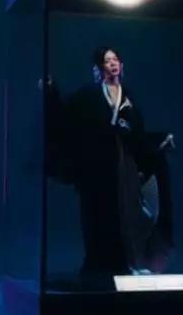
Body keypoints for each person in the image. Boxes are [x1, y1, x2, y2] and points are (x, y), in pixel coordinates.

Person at [44, 47, 174, 279]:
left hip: (124, 168)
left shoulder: (128, 98)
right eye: (107, 60)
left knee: (128, 214)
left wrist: (158, 142)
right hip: (97, 168)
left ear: (121, 65)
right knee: (98, 217)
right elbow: (66, 119)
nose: (113, 63)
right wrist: (52, 93)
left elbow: (138, 134)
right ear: (99, 68)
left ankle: (131, 262)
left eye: (115, 59)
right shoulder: (89, 95)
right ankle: (100, 267)